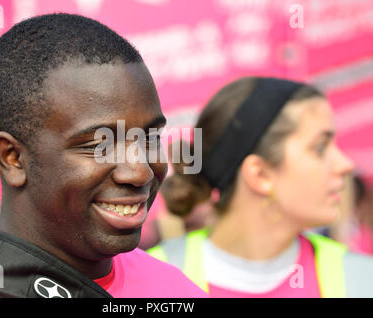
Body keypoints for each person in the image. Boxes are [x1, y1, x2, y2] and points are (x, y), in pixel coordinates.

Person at [0, 13, 207, 298]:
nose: (140, 172)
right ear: (12, 158)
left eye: (150, 138)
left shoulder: (177, 290)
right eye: (100, 144)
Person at [148, 76, 373, 297]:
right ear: (260, 174)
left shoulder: (361, 278)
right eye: (320, 147)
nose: (346, 164)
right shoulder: (148, 282)